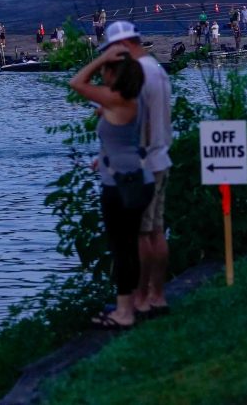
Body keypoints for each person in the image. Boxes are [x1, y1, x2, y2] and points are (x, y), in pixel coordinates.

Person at [69, 33, 154, 329]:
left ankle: (124, 313)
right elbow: (132, 137)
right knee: (129, 245)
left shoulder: (117, 99)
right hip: (137, 177)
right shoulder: (135, 99)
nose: (102, 74)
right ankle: (133, 303)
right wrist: (106, 154)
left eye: (106, 70)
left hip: (120, 185)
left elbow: (77, 83)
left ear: (113, 74)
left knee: (122, 248)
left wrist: (102, 58)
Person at [100, 22, 174, 319]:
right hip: (161, 157)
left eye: (111, 50)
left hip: (142, 164)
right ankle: (158, 295)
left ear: (123, 45)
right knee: (156, 230)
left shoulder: (138, 73)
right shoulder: (157, 68)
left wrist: (124, 154)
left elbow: (138, 121)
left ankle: (140, 300)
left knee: (140, 236)